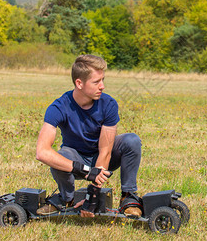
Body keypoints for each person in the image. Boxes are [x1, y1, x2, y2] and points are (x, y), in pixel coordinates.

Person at [35, 54, 142, 217]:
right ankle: (66, 199)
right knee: (60, 156)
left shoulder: (109, 104)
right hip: (76, 160)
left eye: (103, 80)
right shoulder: (59, 107)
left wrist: (92, 195)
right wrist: (85, 170)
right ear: (79, 83)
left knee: (131, 140)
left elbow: (105, 150)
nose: (102, 86)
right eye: (96, 82)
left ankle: (128, 197)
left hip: (102, 157)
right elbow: (42, 152)